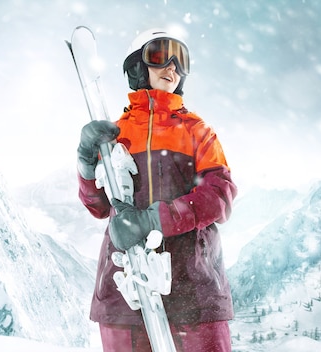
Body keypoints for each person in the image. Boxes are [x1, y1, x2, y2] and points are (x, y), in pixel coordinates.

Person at [76, 28, 237, 352]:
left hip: (194, 291)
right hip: (126, 290)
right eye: (161, 54)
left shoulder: (196, 131)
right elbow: (98, 206)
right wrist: (86, 164)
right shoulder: (116, 135)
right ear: (137, 66)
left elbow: (219, 195)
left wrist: (155, 220)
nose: (173, 66)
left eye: (181, 60)